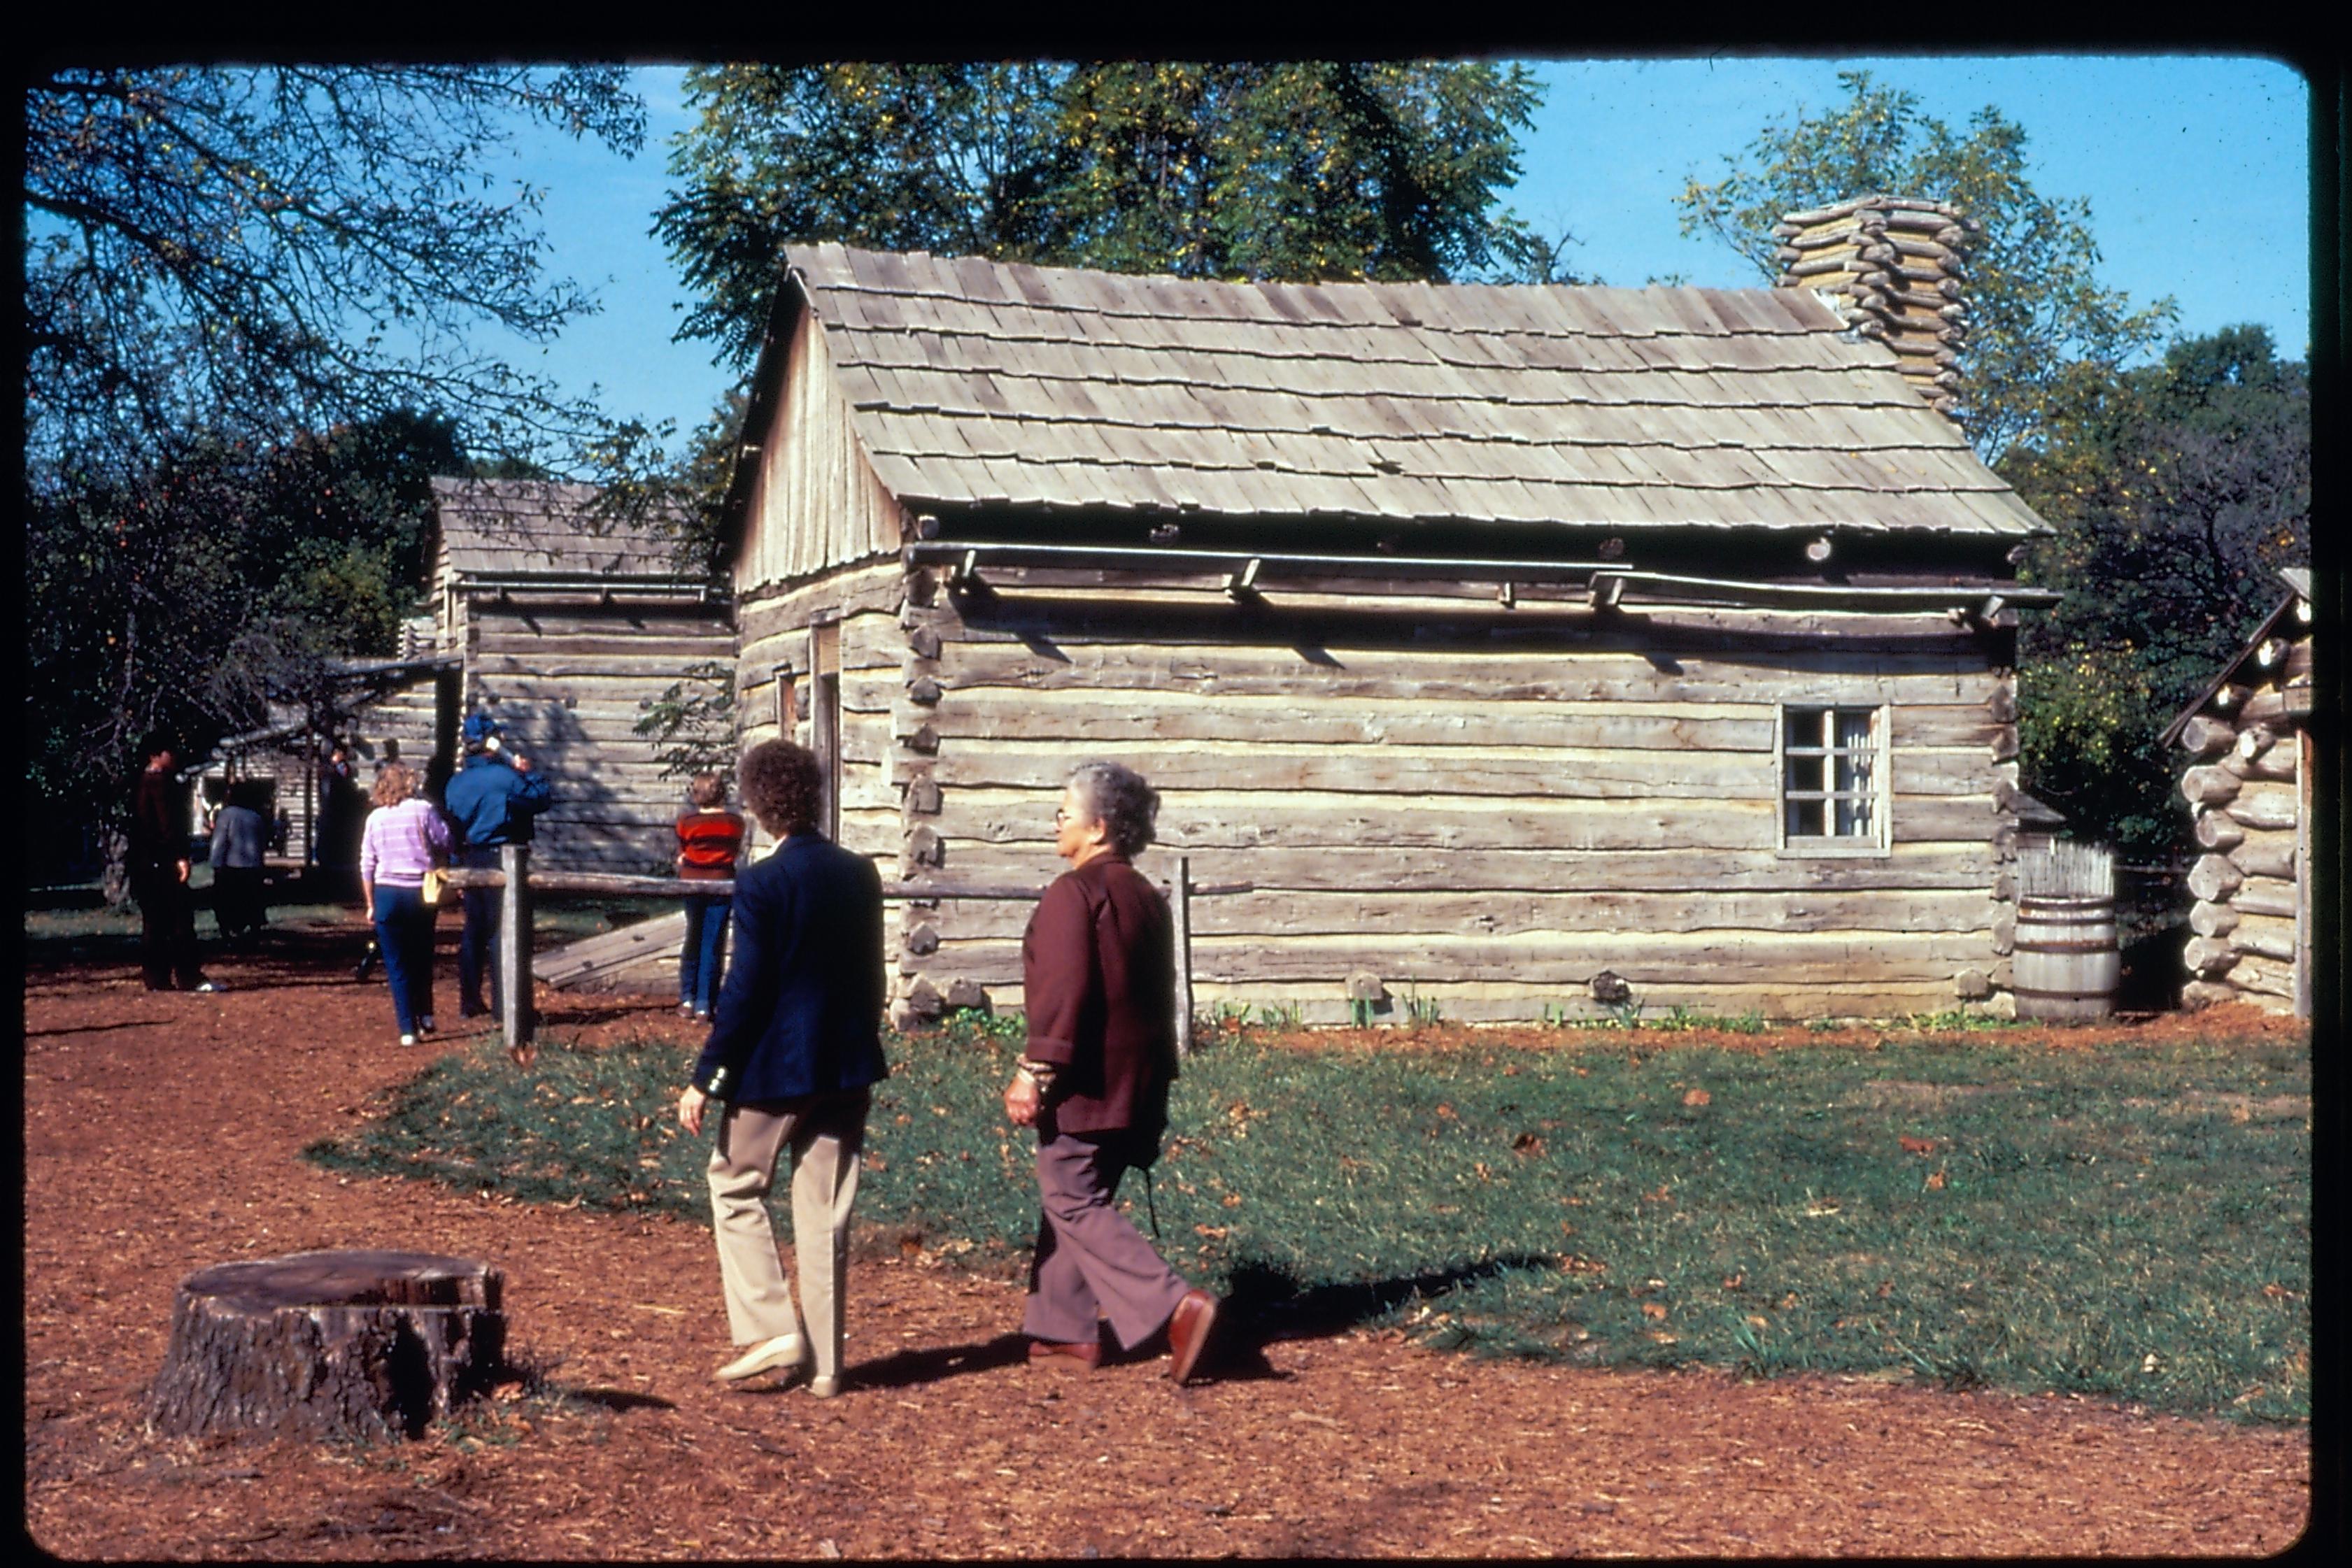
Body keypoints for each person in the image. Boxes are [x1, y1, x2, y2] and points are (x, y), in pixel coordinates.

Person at [676, 739, 887, 1400]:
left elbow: (745, 991)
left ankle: (771, 1330)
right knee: (824, 1215)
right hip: (848, 1064)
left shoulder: (763, 881)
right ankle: (827, 1367)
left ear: (760, 805)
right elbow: (873, 974)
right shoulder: (862, 872)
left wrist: (706, 1076)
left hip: (776, 1070)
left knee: (735, 1186)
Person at [1004, 760, 1218, 1384]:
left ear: (1098, 829)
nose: (1056, 821)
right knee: (1074, 1193)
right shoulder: (1145, 896)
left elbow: (1065, 992)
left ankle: (1174, 1305)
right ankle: (1062, 1329)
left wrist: (1035, 1072)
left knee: (1072, 1195)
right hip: (1140, 1083)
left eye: (1065, 812)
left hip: (1088, 1084)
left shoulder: (1075, 893)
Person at [442, 711, 553, 1018]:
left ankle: (469, 1003)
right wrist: (525, 771)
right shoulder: (507, 778)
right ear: (492, 741)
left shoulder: (456, 783)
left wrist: (456, 865)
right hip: (505, 858)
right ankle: (507, 1009)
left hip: (470, 858)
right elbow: (541, 798)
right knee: (505, 932)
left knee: (473, 931)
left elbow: (452, 828)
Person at [357, 762, 451, 1047]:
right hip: (419, 890)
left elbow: (367, 863)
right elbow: (444, 839)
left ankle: (407, 1028)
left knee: (396, 963)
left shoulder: (374, 818)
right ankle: (425, 1013)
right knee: (422, 955)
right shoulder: (423, 810)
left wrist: (370, 903)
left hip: (387, 892)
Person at [127, 732, 218, 994]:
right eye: (169, 751)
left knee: (154, 922)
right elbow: (167, 824)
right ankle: (188, 976)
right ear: (156, 755)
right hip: (162, 862)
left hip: (144, 863)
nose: (175, 756)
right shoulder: (159, 784)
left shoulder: (138, 783)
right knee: (179, 919)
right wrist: (179, 855)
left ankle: (157, 978)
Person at [675, 771, 748, 1022]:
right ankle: (706, 1003)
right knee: (713, 942)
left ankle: (687, 998)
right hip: (722, 883)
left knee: (692, 937)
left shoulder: (686, 822)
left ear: (696, 794)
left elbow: (684, 851)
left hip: (692, 883)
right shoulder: (735, 823)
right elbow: (735, 850)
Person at [208, 780, 269, 946]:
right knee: (252, 901)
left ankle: (227, 933)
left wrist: (216, 863)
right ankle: (254, 931)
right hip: (252, 866)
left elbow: (220, 841)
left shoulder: (226, 815)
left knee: (227, 901)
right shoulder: (256, 817)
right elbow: (262, 841)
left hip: (231, 866)